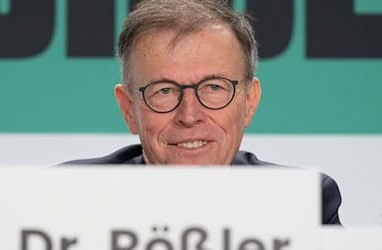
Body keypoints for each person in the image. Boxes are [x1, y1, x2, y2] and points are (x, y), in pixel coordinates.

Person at [62, 0, 342, 224]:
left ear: (249, 102)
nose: (189, 114)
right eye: (164, 91)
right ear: (128, 109)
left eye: (213, 87)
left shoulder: (302, 203)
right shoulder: (65, 198)